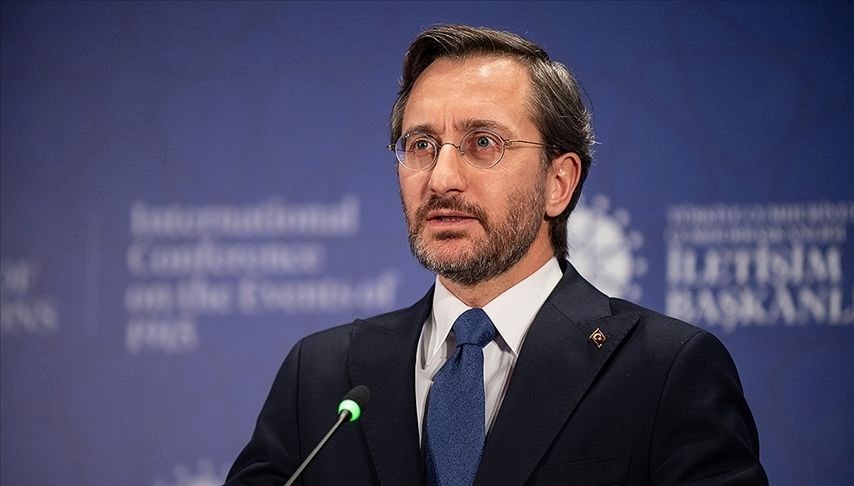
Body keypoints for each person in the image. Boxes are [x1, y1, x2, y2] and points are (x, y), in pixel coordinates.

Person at [226, 24, 767, 485]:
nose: (441, 177)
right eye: (421, 145)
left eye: (483, 143)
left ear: (558, 182)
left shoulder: (665, 370)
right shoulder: (320, 376)